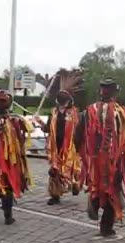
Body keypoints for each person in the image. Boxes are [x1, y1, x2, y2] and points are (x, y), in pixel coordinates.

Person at [74, 77, 125, 237]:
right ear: (115, 92)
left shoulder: (88, 111)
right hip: (115, 161)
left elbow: (78, 134)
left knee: (96, 185)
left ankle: (94, 204)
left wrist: (80, 152)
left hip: (94, 160)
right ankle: (105, 226)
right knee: (112, 190)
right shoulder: (123, 113)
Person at [34, 69, 83, 205]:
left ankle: (74, 184)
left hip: (70, 147)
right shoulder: (54, 113)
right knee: (54, 171)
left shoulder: (74, 114)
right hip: (56, 146)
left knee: (70, 168)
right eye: (60, 98)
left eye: (64, 98)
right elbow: (48, 129)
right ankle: (55, 195)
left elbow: (80, 130)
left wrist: (80, 146)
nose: (62, 101)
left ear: (69, 100)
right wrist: (39, 122)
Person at [0, 90, 33, 224]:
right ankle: (5, 209)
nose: (1, 104)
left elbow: (22, 136)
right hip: (0, 159)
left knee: (8, 183)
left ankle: (7, 211)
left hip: (13, 159)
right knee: (3, 182)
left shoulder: (15, 120)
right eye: (0, 101)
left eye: (4, 101)